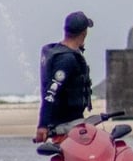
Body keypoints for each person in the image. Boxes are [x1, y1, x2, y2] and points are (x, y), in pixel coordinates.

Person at [34, 11, 94, 143]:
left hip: (74, 121)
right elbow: (51, 93)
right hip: (66, 124)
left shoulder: (64, 53)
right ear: (84, 33)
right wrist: (42, 125)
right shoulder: (66, 60)